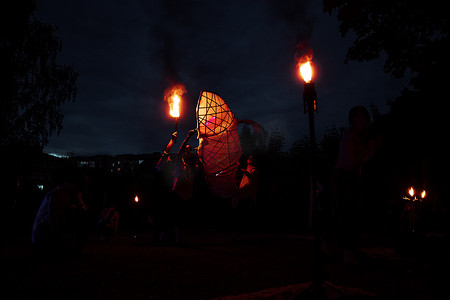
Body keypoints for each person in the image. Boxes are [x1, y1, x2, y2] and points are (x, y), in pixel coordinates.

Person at [324, 106, 381, 264]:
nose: (363, 121)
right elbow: (353, 161)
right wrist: (371, 149)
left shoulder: (360, 137)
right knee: (347, 213)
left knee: (344, 212)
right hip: (343, 176)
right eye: (359, 117)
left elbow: (360, 160)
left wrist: (371, 149)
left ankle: (331, 248)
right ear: (353, 120)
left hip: (349, 176)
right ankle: (346, 252)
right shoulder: (350, 137)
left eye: (364, 117)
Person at [31, 167, 89, 260]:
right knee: (79, 215)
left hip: (55, 235)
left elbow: (81, 210)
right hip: (44, 236)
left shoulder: (74, 195)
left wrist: (79, 206)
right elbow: (52, 220)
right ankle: (61, 248)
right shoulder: (57, 194)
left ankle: (72, 248)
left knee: (81, 214)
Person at [152, 129, 197, 244]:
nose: (169, 157)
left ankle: (166, 237)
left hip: (179, 195)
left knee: (172, 219)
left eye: (189, 150)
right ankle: (164, 237)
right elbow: (170, 153)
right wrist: (174, 140)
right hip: (169, 194)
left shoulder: (186, 166)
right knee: (168, 218)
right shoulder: (166, 165)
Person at [232, 155, 260, 239]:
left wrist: (240, 168)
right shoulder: (247, 171)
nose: (250, 159)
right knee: (240, 217)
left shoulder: (254, 170)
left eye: (252, 158)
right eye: (249, 157)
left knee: (246, 217)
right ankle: (239, 235)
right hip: (242, 196)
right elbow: (245, 181)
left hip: (248, 197)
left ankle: (247, 236)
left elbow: (251, 177)